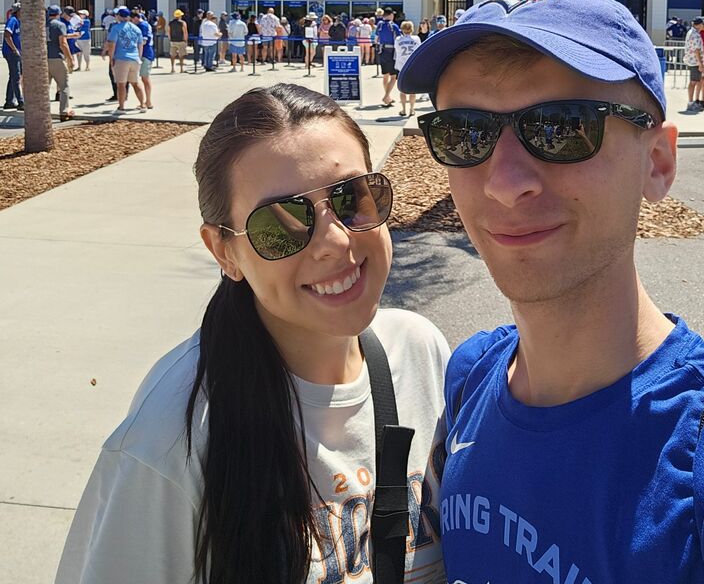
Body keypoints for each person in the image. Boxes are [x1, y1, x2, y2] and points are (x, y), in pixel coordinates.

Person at [397, 0, 704, 583]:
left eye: (562, 127)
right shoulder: (472, 375)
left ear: (659, 162)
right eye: (465, 133)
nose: (504, 182)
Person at [54, 84, 450, 584]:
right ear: (224, 252)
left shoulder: (420, 351)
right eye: (280, 225)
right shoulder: (172, 437)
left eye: (351, 198)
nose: (334, 241)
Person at [104, 6, 145, 113]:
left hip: (121, 58)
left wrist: (111, 58)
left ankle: (121, 107)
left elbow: (112, 44)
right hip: (134, 57)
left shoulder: (116, 28)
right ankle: (142, 104)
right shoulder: (136, 28)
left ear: (119, 16)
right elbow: (140, 45)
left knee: (121, 84)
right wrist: (139, 57)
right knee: (135, 82)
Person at [47, 5, 75, 121]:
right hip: (57, 58)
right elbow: (63, 43)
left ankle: (44, 112)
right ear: (58, 14)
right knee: (64, 86)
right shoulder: (59, 25)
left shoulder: (42, 24)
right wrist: (70, 59)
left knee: (45, 87)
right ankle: (63, 111)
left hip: (44, 58)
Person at [393, 20, 421, 117]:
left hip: (401, 66)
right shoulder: (416, 39)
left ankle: (403, 109)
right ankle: (412, 109)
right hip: (412, 66)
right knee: (412, 90)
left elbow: (396, 50)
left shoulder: (398, 39)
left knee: (402, 89)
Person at [375, 7, 401, 107]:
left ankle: (388, 97)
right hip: (391, 52)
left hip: (382, 51)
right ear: (390, 15)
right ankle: (386, 96)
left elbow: (376, 39)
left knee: (385, 75)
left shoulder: (380, 25)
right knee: (393, 76)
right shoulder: (393, 26)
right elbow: (398, 39)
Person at [131, 9, 155, 109]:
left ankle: (148, 101)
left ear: (136, 18)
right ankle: (147, 101)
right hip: (143, 53)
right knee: (143, 78)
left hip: (145, 54)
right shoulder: (143, 25)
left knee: (145, 77)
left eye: (132, 20)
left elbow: (144, 41)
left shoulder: (142, 26)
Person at [683, 17, 704, 112]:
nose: (703, 26)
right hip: (694, 62)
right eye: (702, 24)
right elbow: (696, 50)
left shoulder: (691, 32)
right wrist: (700, 64)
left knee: (695, 81)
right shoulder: (695, 34)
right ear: (698, 24)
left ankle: (692, 102)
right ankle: (691, 103)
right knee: (693, 82)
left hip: (692, 60)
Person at [3, 1, 23, 111]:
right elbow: (7, 35)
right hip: (11, 53)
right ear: (18, 11)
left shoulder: (19, 21)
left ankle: (9, 101)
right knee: (16, 76)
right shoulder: (13, 20)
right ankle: (21, 101)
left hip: (16, 52)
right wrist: (14, 49)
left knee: (14, 76)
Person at [101, 7, 118, 101]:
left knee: (114, 74)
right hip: (119, 53)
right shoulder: (113, 25)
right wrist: (105, 50)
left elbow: (110, 40)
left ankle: (118, 94)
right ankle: (120, 94)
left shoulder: (114, 26)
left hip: (117, 53)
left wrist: (105, 50)